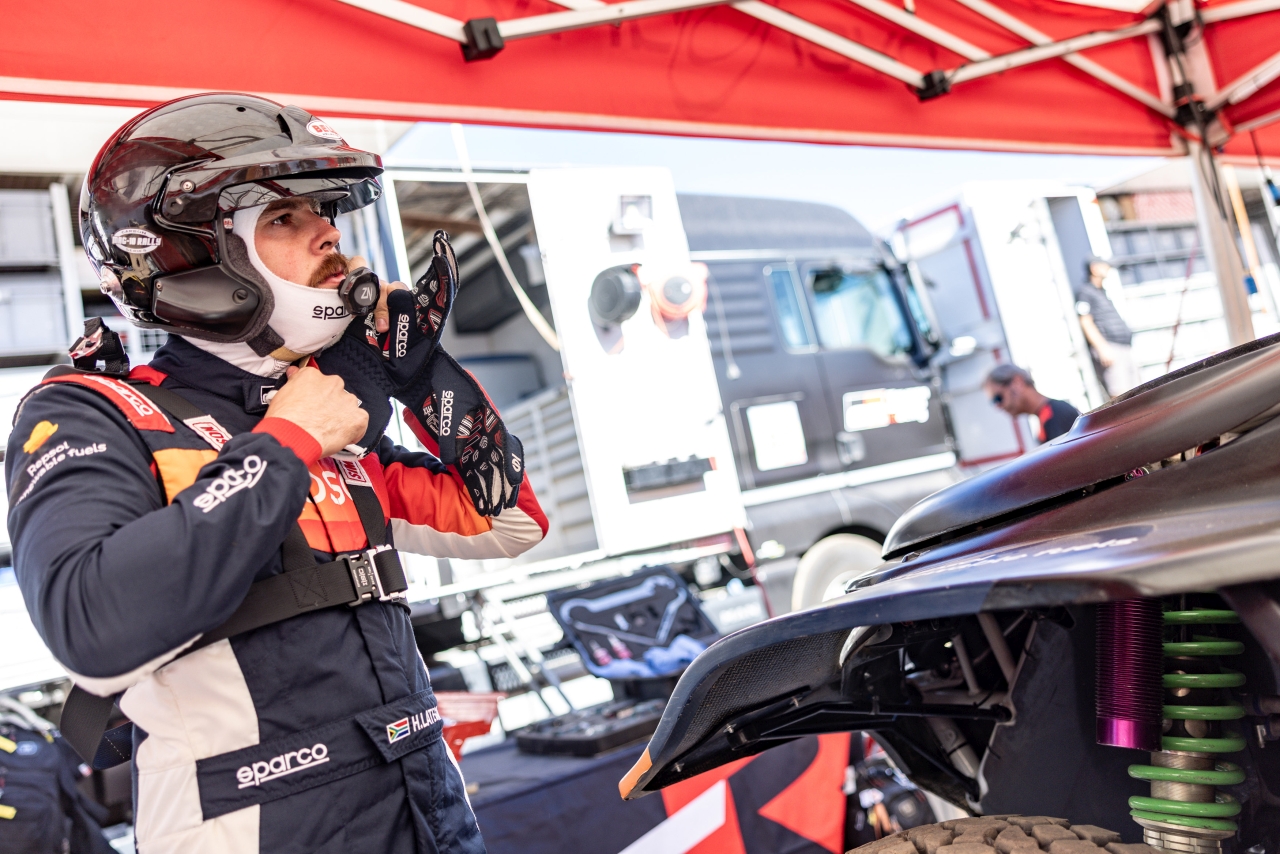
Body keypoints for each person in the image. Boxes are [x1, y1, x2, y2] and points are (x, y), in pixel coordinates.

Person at [5, 94, 547, 854]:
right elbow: (89, 626)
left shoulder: (327, 416)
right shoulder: (99, 413)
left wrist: (419, 375)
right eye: (284, 217)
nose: (330, 233)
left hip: (428, 813)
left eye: (323, 211)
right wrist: (286, 444)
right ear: (193, 254)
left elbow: (510, 523)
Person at [1075, 257, 1139, 398]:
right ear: (1094, 268)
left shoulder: (1100, 291)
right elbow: (1085, 321)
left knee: (1135, 392)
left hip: (1122, 347)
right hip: (1110, 348)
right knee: (1120, 395)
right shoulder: (1085, 292)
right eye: (1104, 266)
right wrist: (1102, 347)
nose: (1108, 269)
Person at [984, 364, 1080, 443]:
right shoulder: (1047, 416)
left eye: (998, 398)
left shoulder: (1056, 413)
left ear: (1017, 382)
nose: (998, 406)